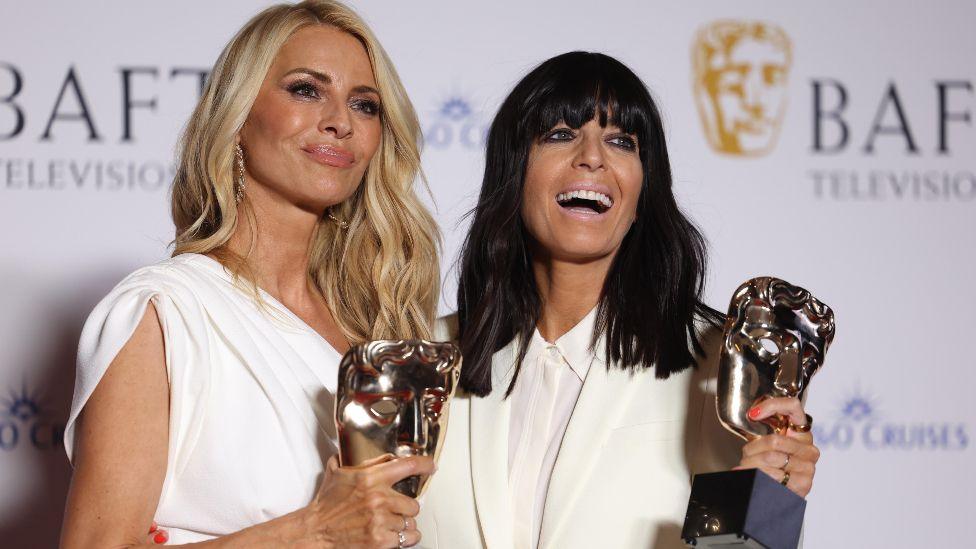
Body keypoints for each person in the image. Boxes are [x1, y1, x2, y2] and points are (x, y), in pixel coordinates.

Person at [60, 2, 439, 547]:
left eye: (365, 104)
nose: (341, 119)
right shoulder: (163, 315)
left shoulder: (374, 329)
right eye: (306, 89)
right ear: (237, 116)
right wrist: (315, 530)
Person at [416, 51, 820, 549]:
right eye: (560, 135)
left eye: (621, 141)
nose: (592, 156)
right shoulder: (425, 356)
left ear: (643, 190)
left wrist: (770, 503)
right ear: (513, 173)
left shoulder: (722, 365)